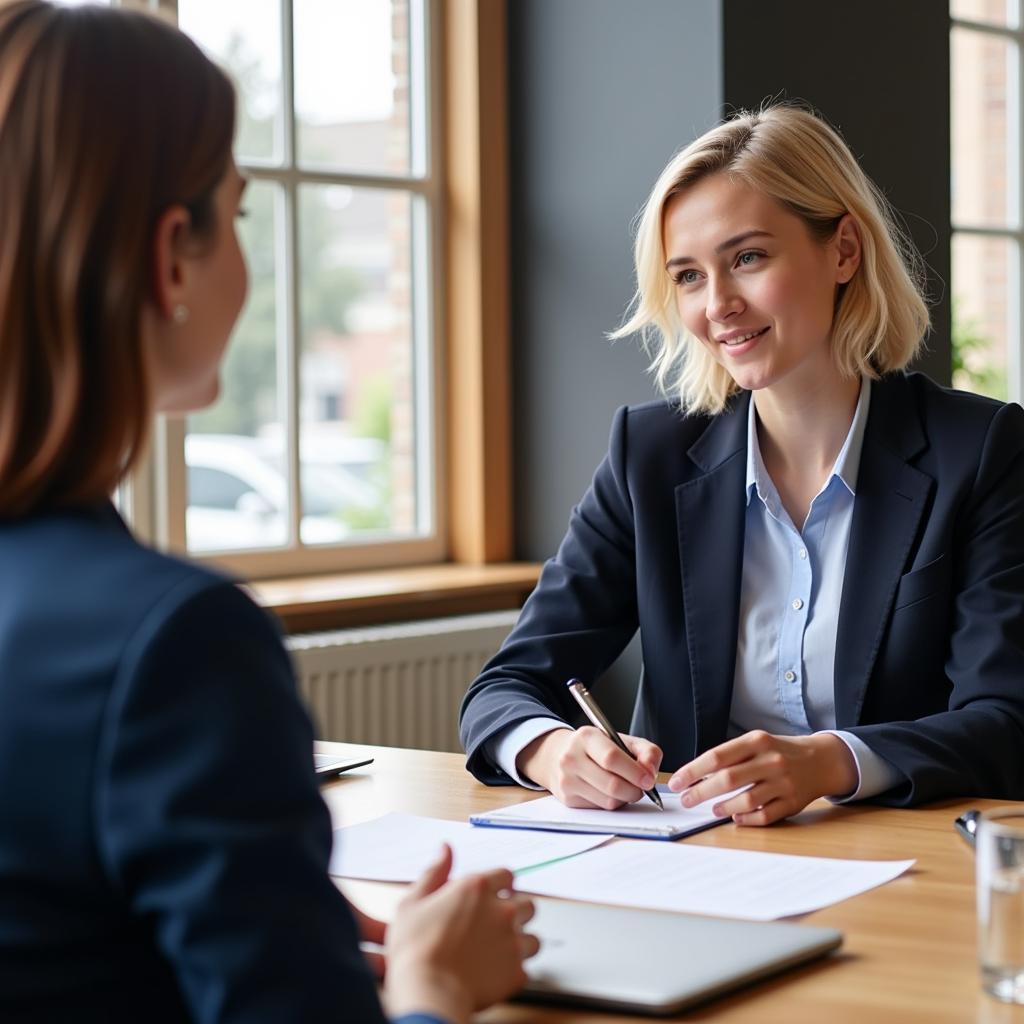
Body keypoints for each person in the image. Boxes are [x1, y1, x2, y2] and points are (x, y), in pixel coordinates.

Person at [0, 3, 536, 1022]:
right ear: (171, 257)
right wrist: (436, 988)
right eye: (236, 214)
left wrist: (267, 912)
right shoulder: (173, 641)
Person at [460, 104, 1024, 825]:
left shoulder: (979, 451)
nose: (718, 305)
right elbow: (505, 686)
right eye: (689, 277)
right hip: (694, 864)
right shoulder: (650, 455)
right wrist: (550, 750)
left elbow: (1006, 720)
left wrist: (828, 761)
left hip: (894, 861)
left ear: (844, 250)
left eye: (748, 258)